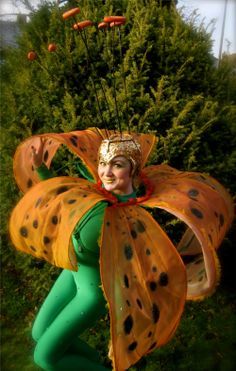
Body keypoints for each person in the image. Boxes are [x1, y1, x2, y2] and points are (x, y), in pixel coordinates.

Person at [9, 128, 234, 371]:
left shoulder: (126, 218)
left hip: (90, 293)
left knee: (45, 359)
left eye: (116, 165)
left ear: (133, 170)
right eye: (103, 163)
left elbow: (140, 265)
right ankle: (92, 363)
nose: (105, 172)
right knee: (38, 333)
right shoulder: (94, 191)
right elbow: (62, 201)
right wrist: (41, 168)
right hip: (72, 273)